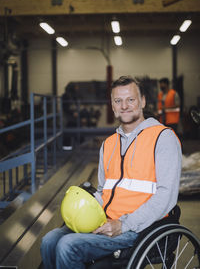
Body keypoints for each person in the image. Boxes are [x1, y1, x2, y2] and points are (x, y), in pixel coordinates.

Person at [41, 75, 182, 269]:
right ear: (113, 106)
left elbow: (166, 196)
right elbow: (103, 190)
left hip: (138, 228)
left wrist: (123, 225)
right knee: (49, 241)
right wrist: (81, 208)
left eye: (130, 99)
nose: (124, 106)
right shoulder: (108, 144)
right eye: (118, 101)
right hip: (104, 222)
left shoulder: (163, 138)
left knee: (68, 245)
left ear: (142, 101)